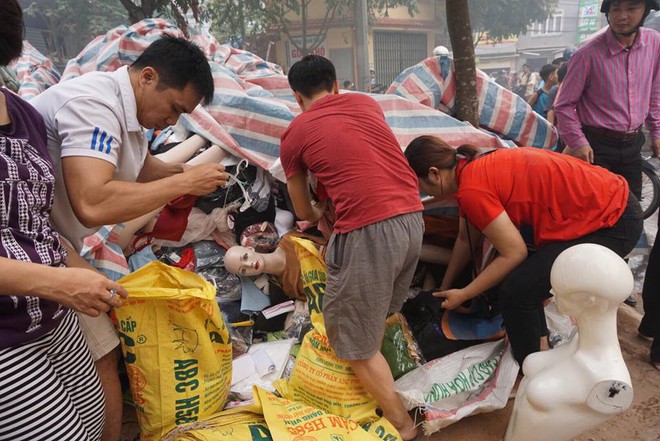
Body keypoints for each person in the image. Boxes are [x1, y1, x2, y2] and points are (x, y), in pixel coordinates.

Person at [30, 36, 228, 441]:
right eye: (175, 109)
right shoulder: (94, 105)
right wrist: (187, 180)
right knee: (102, 356)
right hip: (34, 244)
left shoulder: (130, 113)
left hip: (55, 242)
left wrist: (184, 176)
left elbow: (139, 166)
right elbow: (93, 201)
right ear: (148, 77)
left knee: (100, 352)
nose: (174, 123)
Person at [0, 1, 129, 439]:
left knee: (92, 422)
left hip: (55, 317)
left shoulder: (25, 117)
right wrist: (58, 283)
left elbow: (37, 226)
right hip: (8, 337)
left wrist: (87, 276)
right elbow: (93, 201)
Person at [280, 55, 424, 440]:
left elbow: (300, 210)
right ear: (336, 84)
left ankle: (403, 426)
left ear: (297, 97)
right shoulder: (366, 104)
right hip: (412, 218)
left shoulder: (296, 130)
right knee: (371, 323)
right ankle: (379, 397)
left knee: (356, 347)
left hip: (368, 230)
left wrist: (319, 208)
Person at [404, 136, 642, 366]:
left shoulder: (472, 189)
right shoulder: (470, 168)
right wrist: (445, 289)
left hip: (613, 222)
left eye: (419, 183)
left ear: (434, 173)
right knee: (527, 279)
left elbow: (514, 253)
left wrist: (465, 293)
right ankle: (541, 348)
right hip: (606, 204)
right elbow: (465, 240)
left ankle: (530, 371)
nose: (421, 192)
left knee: (517, 291)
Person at [554, 0, 660, 307]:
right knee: (593, 216)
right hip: (595, 146)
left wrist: (655, 131)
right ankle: (586, 281)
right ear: (607, 12)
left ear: (645, 11)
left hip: (631, 145)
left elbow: (654, 90)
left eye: (631, 8)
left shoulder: (653, 44)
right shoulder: (588, 53)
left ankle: (617, 281)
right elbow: (564, 104)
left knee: (631, 217)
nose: (623, 16)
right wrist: (579, 141)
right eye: (616, 9)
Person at [506, 244, 635, 441]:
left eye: (558, 289)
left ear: (590, 301)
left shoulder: (610, 383)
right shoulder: (578, 341)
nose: (550, 293)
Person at [224, 232, 327, 301]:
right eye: (243, 270)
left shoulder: (290, 241)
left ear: (250, 248)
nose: (249, 264)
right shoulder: (287, 287)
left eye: (245, 257)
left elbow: (330, 244)